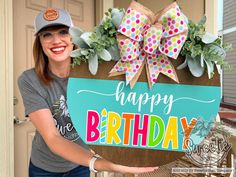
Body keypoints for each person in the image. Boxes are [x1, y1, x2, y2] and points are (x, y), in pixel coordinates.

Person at [18, 8, 158, 177]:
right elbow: (53, 137)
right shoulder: (29, 80)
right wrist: (101, 163)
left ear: (72, 37)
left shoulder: (93, 73)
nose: (56, 40)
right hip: (44, 167)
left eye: (63, 32)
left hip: (80, 162)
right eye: (47, 34)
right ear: (39, 41)